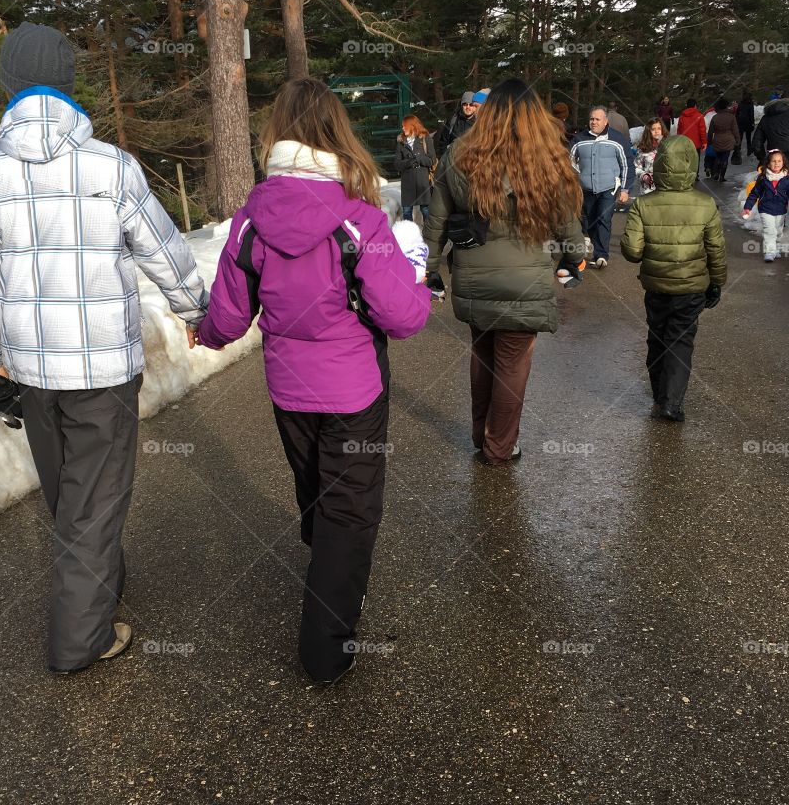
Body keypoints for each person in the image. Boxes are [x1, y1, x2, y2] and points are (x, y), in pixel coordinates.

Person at [0, 22, 209, 674]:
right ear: (68, 86)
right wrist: (196, 309)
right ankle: (79, 641)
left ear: (7, 85)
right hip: (103, 368)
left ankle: (98, 582)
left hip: (31, 370)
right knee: (94, 496)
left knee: (70, 492)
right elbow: (163, 250)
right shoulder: (110, 166)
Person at [196, 78, 429, 685]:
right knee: (350, 512)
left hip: (287, 390)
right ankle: (325, 649)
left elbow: (227, 316)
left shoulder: (250, 222)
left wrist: (206, 334)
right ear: (338, 137)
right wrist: (416, 272)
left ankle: (324, 557)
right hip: (354, 390)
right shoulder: (360, 222)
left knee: (317, 492)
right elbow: (404, 318)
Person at [423, 78, 587, 466]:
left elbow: (436, 223)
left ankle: (484, 437)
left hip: (474, 276)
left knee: (482, 355)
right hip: (525, 279)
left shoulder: (459, 154)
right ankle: (500, 446)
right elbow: (567, 223)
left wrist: (429, 272)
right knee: (512, 362)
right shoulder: (546, 157)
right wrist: (574, 259)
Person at [620, 135, 727, 423]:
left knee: (657, 336)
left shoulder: (644, 205)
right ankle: (671, 401)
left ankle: (659, 395)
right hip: (692, 287)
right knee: (680, 339)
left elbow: (632, 252)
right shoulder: (706, 205)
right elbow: (716, 250)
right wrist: (716, 283)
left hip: (656, 286)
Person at [569, 105, 633, 267]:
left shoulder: (617, 139)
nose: (594, 122)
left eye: (597, 119)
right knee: (588, 220)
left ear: (605, 121)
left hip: (608, 188)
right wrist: (575, 179)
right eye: (591, 119)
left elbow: (627, 165)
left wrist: (625, 189)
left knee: (604, 219)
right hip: (586, 189)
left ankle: (601, 255)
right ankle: (592, 243)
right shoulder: (579, 139)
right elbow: (567, 163)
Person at [742, 149, 789, 261]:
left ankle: (776, 247)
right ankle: (769, 252)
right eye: (773, 161)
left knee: (778, 231)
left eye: (779, 161)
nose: (776, 163)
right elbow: (754, 194)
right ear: (768, 163)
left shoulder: (787, 180)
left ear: (783, 163)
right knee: (769, 230)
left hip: (781, 209)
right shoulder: (763, 179)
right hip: (765, 209)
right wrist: (747, 207)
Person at [393, 114, 435, 226]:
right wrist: (409, 162)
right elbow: (396, 164)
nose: (403, 128)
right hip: (407, 182)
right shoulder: (401, 142)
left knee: (426, 210)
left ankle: (429, 235)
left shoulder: (425, 138)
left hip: (423, 181)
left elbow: (432, 160)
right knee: (407, 212)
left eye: (405, 126)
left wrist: (418, 158)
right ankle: (410, 236)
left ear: (412, 126)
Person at [436, 91, 477, 160]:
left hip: (473, 163)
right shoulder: (453, 120)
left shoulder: (479, 122)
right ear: (461, 105)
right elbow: (443, 142)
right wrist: (446, 159)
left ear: (475, 106)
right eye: (465, 104)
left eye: (471, 105)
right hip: (454, 162)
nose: (468, 107)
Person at [706, 98, 739, 182]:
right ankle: (722, 176)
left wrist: (709, 142)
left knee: (718, 157)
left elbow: (710, 132)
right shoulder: (731, 117)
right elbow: (735, 130)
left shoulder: (715, 117)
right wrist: (737, 140)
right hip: (728, 140)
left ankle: (716, 172)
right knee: (725, 158)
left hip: (717, 140)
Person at [633, 118, 666, 195]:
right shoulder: (643, 148)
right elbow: (636, 167)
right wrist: (644, 176)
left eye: (659, 128)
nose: (656, 131)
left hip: (665, 189)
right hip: (648, 189)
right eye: (653, 129)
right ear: (648, 131)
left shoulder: (668, 146)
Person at [676, 99, 707, 170]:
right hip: (696, 143)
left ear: (687, 106)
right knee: (695, 159)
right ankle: (695, 174)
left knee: (686, 159)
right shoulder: (699, 116)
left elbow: (679, 130)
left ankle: (686, 173)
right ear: (695, 106)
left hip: (685, 142)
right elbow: (702, 130)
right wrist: (704, 142)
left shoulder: (682, 117)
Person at [734, 91, 755, 163]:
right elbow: (751, 114)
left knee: (740, 137)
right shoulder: (750, 104)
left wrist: (736, 121)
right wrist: (752, 123)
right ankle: (749, 150)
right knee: (748, 138)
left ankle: (738, 151)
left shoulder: (741, 103)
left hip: (740, 122)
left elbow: (737, 113)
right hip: (748, 122)